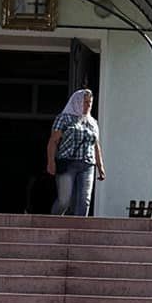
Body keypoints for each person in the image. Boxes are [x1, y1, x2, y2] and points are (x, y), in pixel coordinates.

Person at [46, 87, 105, 217]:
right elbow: (53, 141)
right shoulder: (64, 119)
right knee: (64, 200)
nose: (88, 105)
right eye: (85, 102)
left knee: (84, 200)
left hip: (87, 165)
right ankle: (52, 222)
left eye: (90, 102)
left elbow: (96, 145)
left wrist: (100, 167)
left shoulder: (93, 122)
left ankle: (79, 229)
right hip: (67, 163)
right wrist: (51, 162)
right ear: (77, 102)